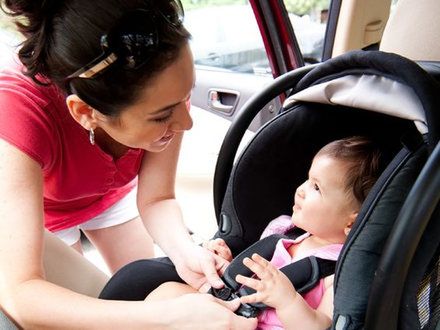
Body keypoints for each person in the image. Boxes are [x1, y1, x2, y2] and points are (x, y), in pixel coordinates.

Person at [0, 0, 257, 328]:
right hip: (45, 213)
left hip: (112, 196)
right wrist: (165, 317)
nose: (186, 122)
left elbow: (157, 198)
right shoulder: (19, 110)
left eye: (185, 97)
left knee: (136, 282)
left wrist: (186, 252)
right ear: (85, 113)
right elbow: (22, 294)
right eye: (162, 115)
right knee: (83, 307)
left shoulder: (164, 88)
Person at [146, 136, 383, 329]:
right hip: (233, 311)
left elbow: (321, 326)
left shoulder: (340, 269)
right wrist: (228, 263)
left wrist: (288, 301)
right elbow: (249, 283)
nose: (301, 190)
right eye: (308, 179)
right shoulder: (283, 233)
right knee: (166, 293)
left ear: (352, 223)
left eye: (317, 188)